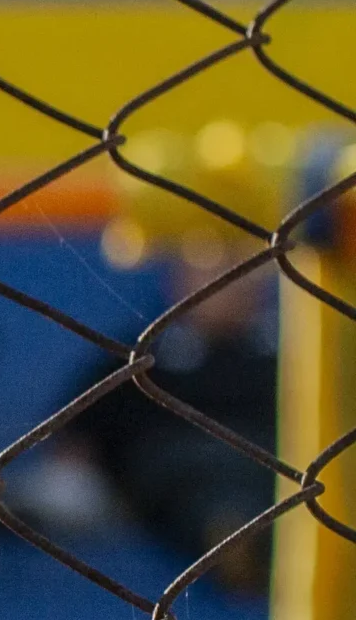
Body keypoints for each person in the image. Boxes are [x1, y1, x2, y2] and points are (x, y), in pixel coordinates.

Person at [67, 238, 275, 592]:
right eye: (212, 269)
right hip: (173, 472)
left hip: (268, 465)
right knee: (192, 471)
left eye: (240, 270)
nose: (228, 284)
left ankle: (240, 537)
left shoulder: (295, 358)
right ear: (178, 281)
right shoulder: (140, 358)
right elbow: (76, 439)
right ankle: (236, 538)